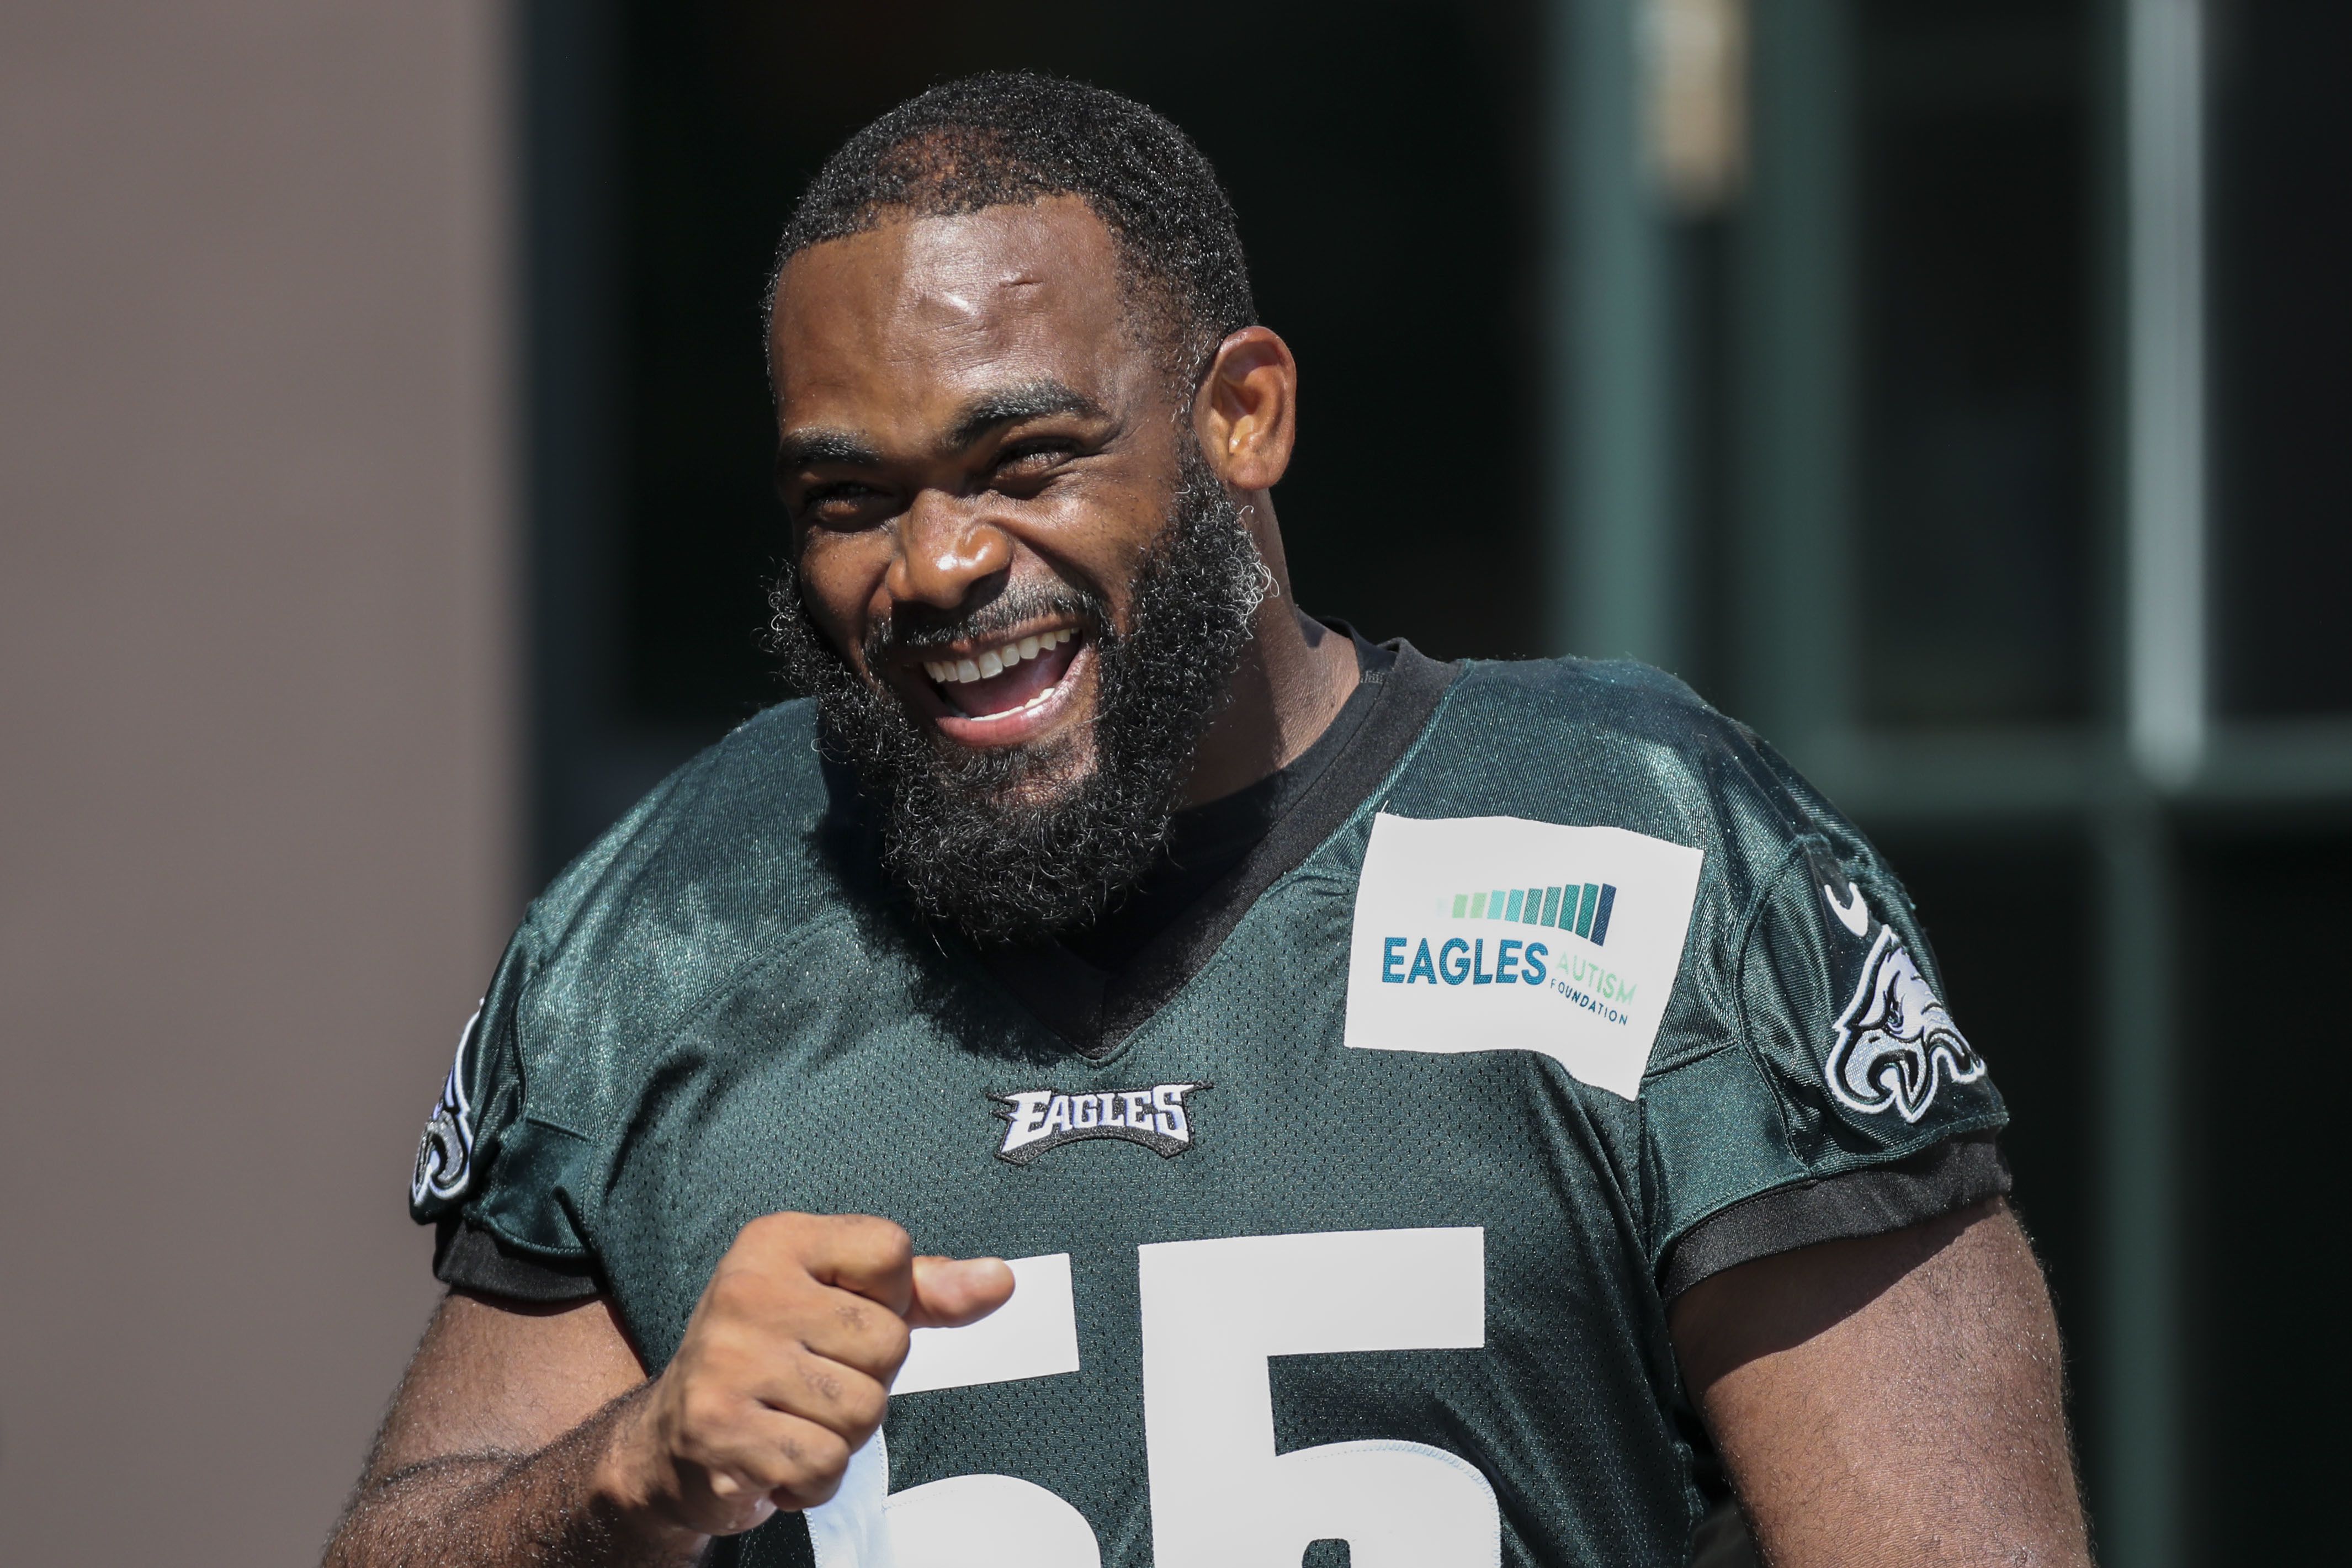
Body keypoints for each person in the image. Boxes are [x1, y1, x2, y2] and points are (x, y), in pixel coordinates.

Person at [326, 73, 2090, 1568]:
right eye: (852, 496)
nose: (938, 566)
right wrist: (629, 1473)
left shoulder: (1647, 849)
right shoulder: (676, 920)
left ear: (1242, 414)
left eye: (1025, 462)